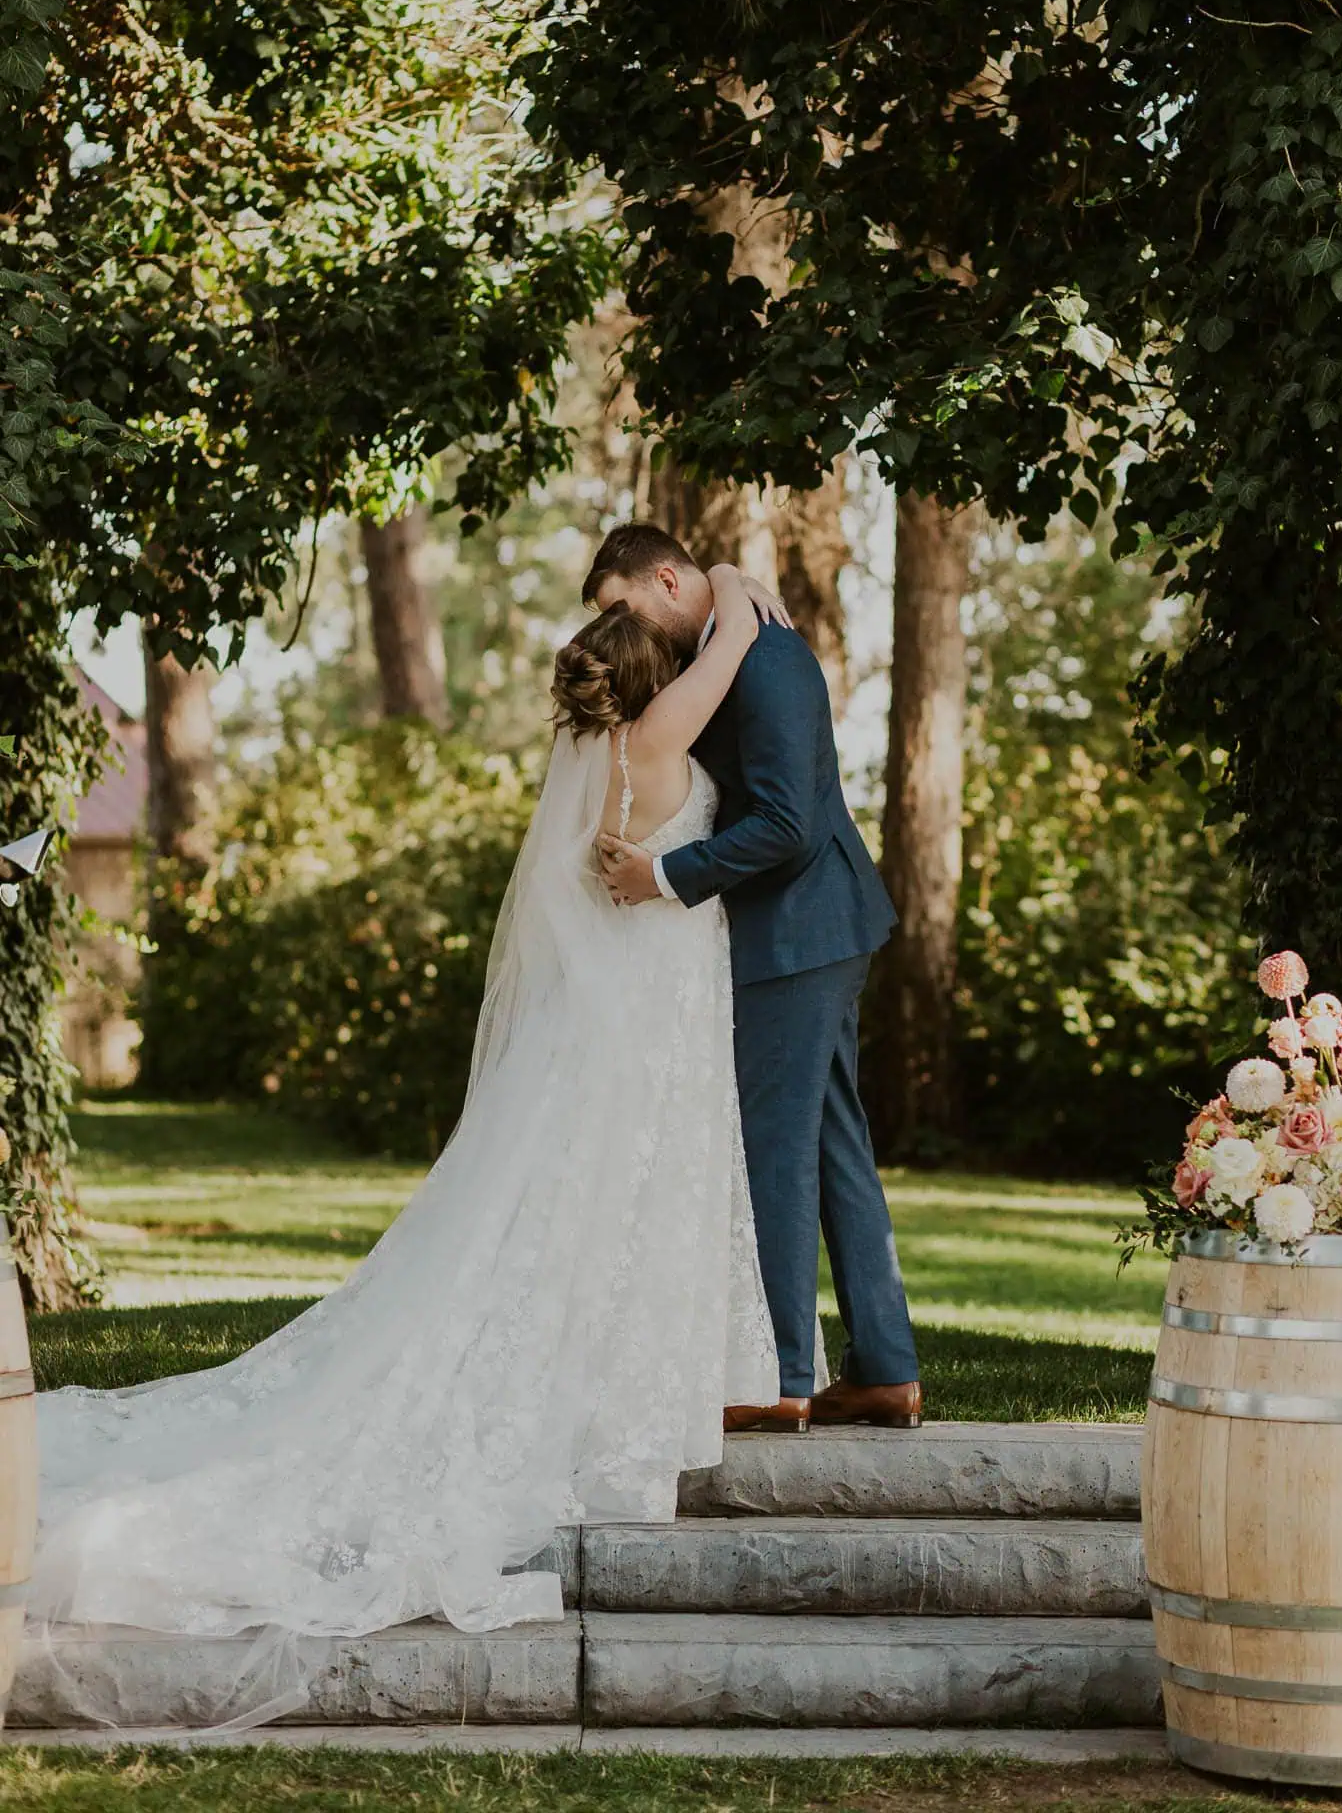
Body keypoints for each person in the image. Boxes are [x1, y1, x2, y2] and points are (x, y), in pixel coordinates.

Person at [27, 559, 784, 1723]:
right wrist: (735, 582)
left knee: (580, 1209)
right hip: (652, 1016)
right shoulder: (657, 736)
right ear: (647, 681)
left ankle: (617, 1394)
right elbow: (730, 640)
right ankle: (623, 1416)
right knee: (626, 1203)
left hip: (627, 1011)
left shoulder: (599, 750)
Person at [591, 523, 920, 1433]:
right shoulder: (723, 636)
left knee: (773, 1150)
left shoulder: (763, 659)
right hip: (811, 930)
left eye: (623, 609)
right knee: (829, 1143)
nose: (623, 633)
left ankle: (778, 1378)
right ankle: (886, 1371)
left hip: (797, 934)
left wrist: (661, 876)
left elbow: (784, 825)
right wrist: (731, 576)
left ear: (664, 579)